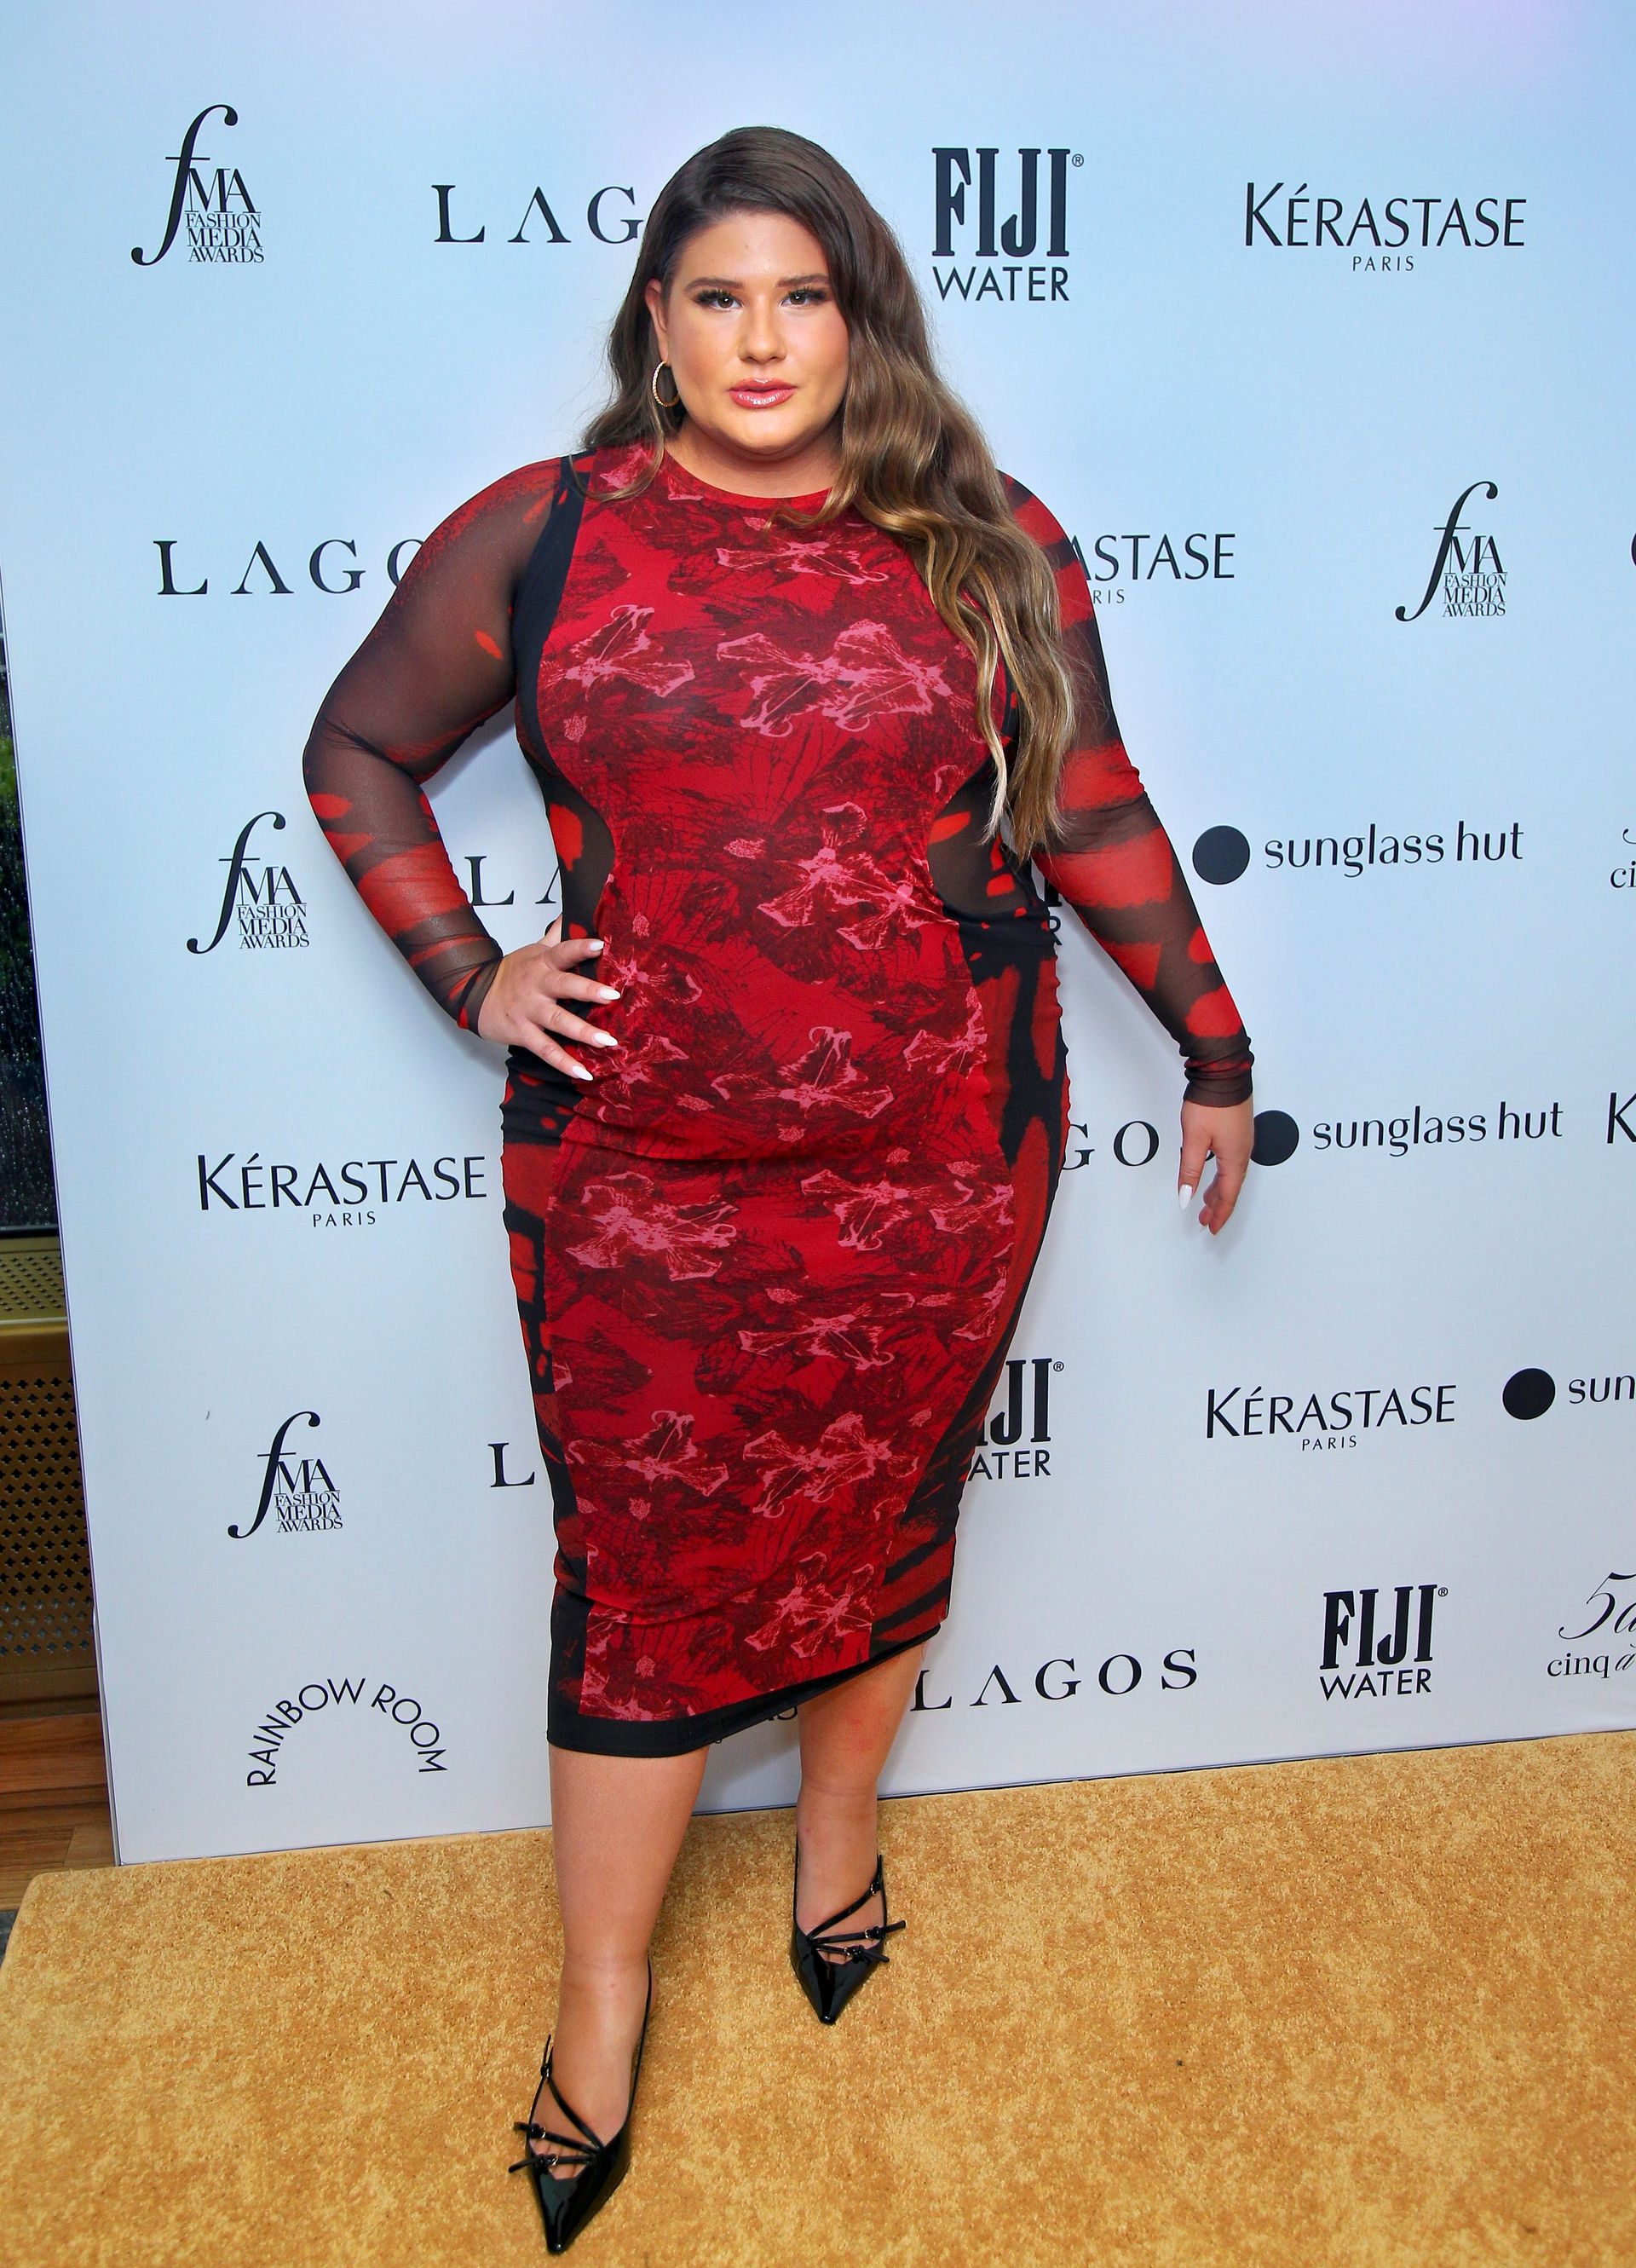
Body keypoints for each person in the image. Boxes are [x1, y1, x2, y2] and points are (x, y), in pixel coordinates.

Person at [303, 124, 1253, 2254]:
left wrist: (1212, 1040)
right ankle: (602, 2002)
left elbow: (1088, 797)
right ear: (655, 319)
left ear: (860, 318)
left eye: (801, 297)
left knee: (885, 1500)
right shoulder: (550, 532)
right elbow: (357, 747)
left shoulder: (985, 538)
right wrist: (471, 969)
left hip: (941, 1154)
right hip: (640, 1171)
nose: (761, 340)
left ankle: (838, 1844)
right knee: (638, 1576)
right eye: (719, 297)